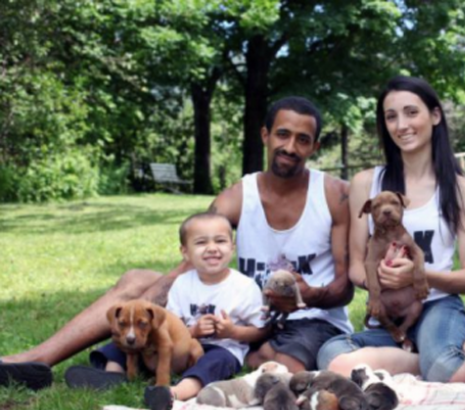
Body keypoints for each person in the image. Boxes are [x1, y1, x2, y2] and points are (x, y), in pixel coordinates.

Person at [0, 96, 353, 390]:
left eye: (302, 140)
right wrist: (150, 299)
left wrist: (309, 295)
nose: (290, 147)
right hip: (247, 311)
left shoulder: (334, 195)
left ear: (315, 146)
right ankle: (38, 360)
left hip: (307, 320)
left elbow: (344, 288)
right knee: (137, 281)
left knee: (272, 360)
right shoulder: (238, 196)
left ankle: (126, 364)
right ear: (265, 135)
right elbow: (196, 256)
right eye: (283, 135)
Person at [317, 76, 465, 383]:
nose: (401, 125)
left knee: (445, 368)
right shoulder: (367, 183)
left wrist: (416, 275)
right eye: (391, 117)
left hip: (438, 304)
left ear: (435, 115)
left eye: (411, 112)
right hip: (389, 313)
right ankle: (424, 360)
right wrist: (383, 281)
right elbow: (355, 267)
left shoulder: (459, 189)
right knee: (332, 358)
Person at [67, 212, 269, 410]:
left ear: (232, 248)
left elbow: (261, 330)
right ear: (185, 252)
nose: (212, 248)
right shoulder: (182, 283)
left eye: (220, 241)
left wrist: (232, 332)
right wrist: (194, 331)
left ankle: (173, 392)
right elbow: (169, 327)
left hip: (222, 347)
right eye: (200, 242)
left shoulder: (244, 287)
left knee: (214, 363)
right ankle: (113, 374)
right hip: (179, 343)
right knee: (129, 338)